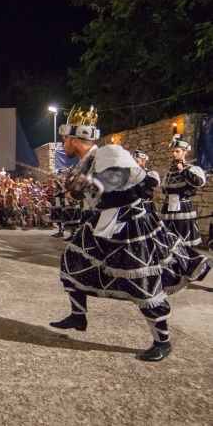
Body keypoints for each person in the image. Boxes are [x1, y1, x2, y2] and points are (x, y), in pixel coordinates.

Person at [49, 106, 210, 362]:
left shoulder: (108, 152)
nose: (63, 146)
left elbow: (116, 177)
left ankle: (162, 341)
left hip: (130, 224)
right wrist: (74, 191)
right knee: (73, 259)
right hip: (104, 221)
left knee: (141, 281)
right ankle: (78, 316)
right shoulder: (86, 162)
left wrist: (93, 184)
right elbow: (84, 194)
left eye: (65, 141)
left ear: (73, 140)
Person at [161, 134, 206, 246]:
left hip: (182, 207)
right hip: (168, 206)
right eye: (173, 152)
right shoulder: (170, 171)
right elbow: (165, 189)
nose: (174, 154)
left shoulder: (190, 169)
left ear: (185, 152)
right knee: (168, 237)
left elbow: (198, 182)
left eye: (177, 151)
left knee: (182, 236)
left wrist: (182, 170)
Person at [132, 147, 160, 213]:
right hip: (133, 208)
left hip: (146, 207)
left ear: (143, 162)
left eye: (137, 161)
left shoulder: (150, 174)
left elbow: (154, 184)